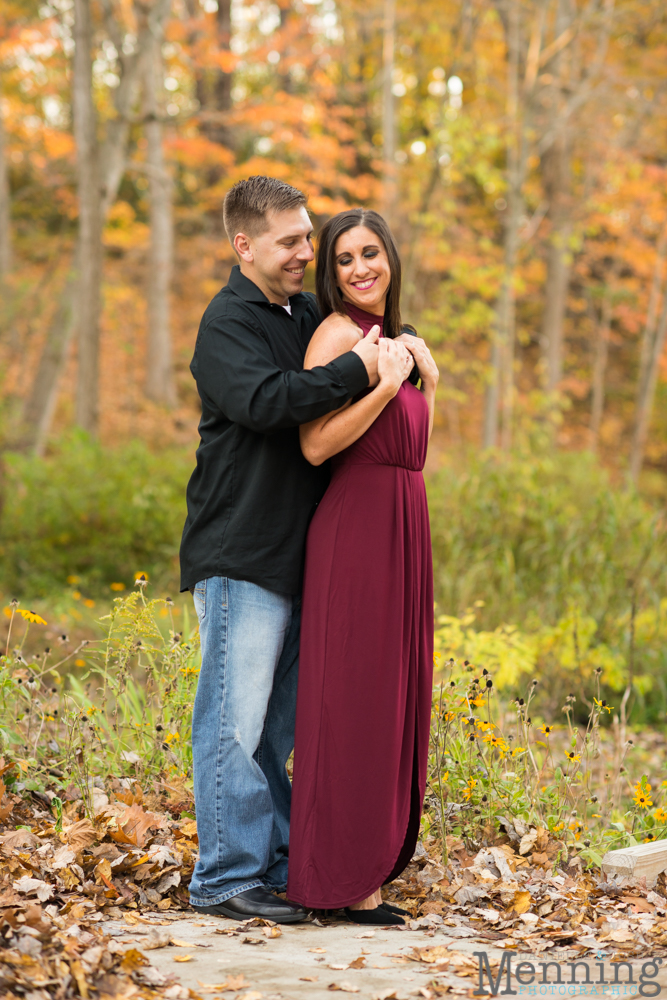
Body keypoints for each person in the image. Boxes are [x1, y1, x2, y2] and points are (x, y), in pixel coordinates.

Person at [179, 177, 381, 924]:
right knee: (231, 721)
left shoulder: (302, 314)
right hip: (240, 552)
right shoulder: (226, 323)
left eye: (307, 237)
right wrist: (360, 369)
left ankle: (269, 864)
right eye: (291, 240)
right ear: (245, 245)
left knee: (275, 728)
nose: (308, 252)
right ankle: (223, 880)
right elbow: (270, 403)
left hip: (303, 557)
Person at [287, 208, 439, 924]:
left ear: (391, 258)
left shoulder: (400, 341)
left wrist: (424, 383)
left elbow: (409, 452)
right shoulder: (337, 335)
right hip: (355, 533)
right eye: (343, 259)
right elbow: (315, 446)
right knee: (352, 699)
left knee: (392, 696)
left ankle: (371, 861)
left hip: (405, 528)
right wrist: (381, 386)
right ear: (331, 273)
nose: (358, 269)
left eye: (369, 253)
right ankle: (343, 879)